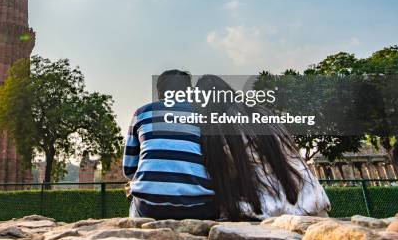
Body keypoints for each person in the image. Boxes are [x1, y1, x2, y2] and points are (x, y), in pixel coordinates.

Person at [195, 74, 330, 220]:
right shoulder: (262, 114)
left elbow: (227, 179)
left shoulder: (216, 132)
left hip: (269, 209)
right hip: (311, 199)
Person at [123, 70, 218, 219]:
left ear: (159, 91)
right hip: (199, 207)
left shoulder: (142, 113)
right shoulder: (204, 114)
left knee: (135, 200)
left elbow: (129, 169)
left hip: (150, 208)